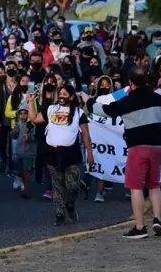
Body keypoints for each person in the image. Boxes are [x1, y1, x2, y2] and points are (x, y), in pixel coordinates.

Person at [101, 67, 161, 238]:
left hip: (137, 147)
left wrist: (88, 102)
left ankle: (140, 227)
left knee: (136, 187)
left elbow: (106, 110)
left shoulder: (128, 100)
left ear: (131, 83)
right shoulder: (158, 98)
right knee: (154, 184)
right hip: (157, 146)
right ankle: (157, 219)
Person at [27, 84, 94, 227]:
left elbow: (86, 135)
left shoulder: (78, 112)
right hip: (52, 153)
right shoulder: (51, 109)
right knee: (57, 186)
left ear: (71, 97)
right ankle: (59, 215)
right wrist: (30, 102)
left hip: (71, 154)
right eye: (60, 94)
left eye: (65, 94)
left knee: (72, 186)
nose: (62, 96)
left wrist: (90, 153)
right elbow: (34, 119)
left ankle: (70, 205)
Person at [12, 106, 36, 199]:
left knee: (26, 169)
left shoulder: (31, 125)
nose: (23, 116)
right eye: (21, 114)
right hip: (19, 151)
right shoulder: (17, 124)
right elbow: (13, 136)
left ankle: (26, 189)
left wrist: (29, 137)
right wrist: (13, 132)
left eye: (25, 114)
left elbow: (34, 137)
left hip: (29, 151)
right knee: (20, 169)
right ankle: (21, 180)